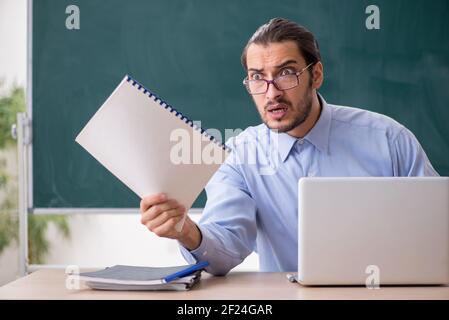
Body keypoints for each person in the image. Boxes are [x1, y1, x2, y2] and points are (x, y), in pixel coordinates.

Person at [139, 18, 438, 275]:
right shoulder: (240, 157)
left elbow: (436, 227)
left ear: (315, 75)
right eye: (258, 78)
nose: (272, 93)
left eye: (286, 73)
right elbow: (225, 251)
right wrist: (187, 231)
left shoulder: (388, 139)